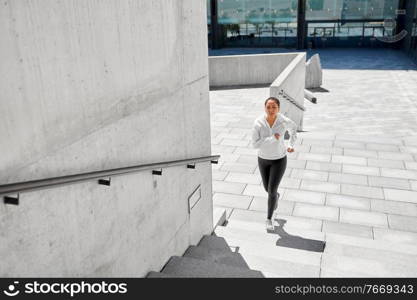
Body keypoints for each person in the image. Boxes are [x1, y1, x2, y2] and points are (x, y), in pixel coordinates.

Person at [251, 97, 297, 230]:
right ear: (264, 108)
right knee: (268, 189)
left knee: (271, 190)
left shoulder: (283, 121)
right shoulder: (258, 123)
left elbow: (294, 129)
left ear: (279, 108)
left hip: (279, 160)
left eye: (274, 107)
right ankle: (276, 196)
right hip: (263, 159)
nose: (271, 110)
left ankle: (269, 219)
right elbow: (255, 144)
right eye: (268, 107)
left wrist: (291, 144)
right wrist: (272, 139)